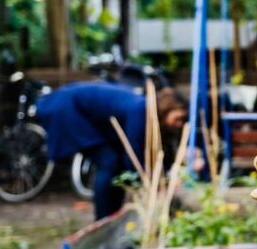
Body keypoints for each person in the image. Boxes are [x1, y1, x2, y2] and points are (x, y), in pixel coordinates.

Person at [38, 83, 188, 220]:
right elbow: (133, 154)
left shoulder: (148, 114)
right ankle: (104, 217)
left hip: (76, 109)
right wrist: (149, 186)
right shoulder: (140, 111)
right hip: (68, 109)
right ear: (167, 109)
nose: (180, 124)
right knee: (109, 162)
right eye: (178, 118)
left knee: (116, 164)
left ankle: (113, 214)